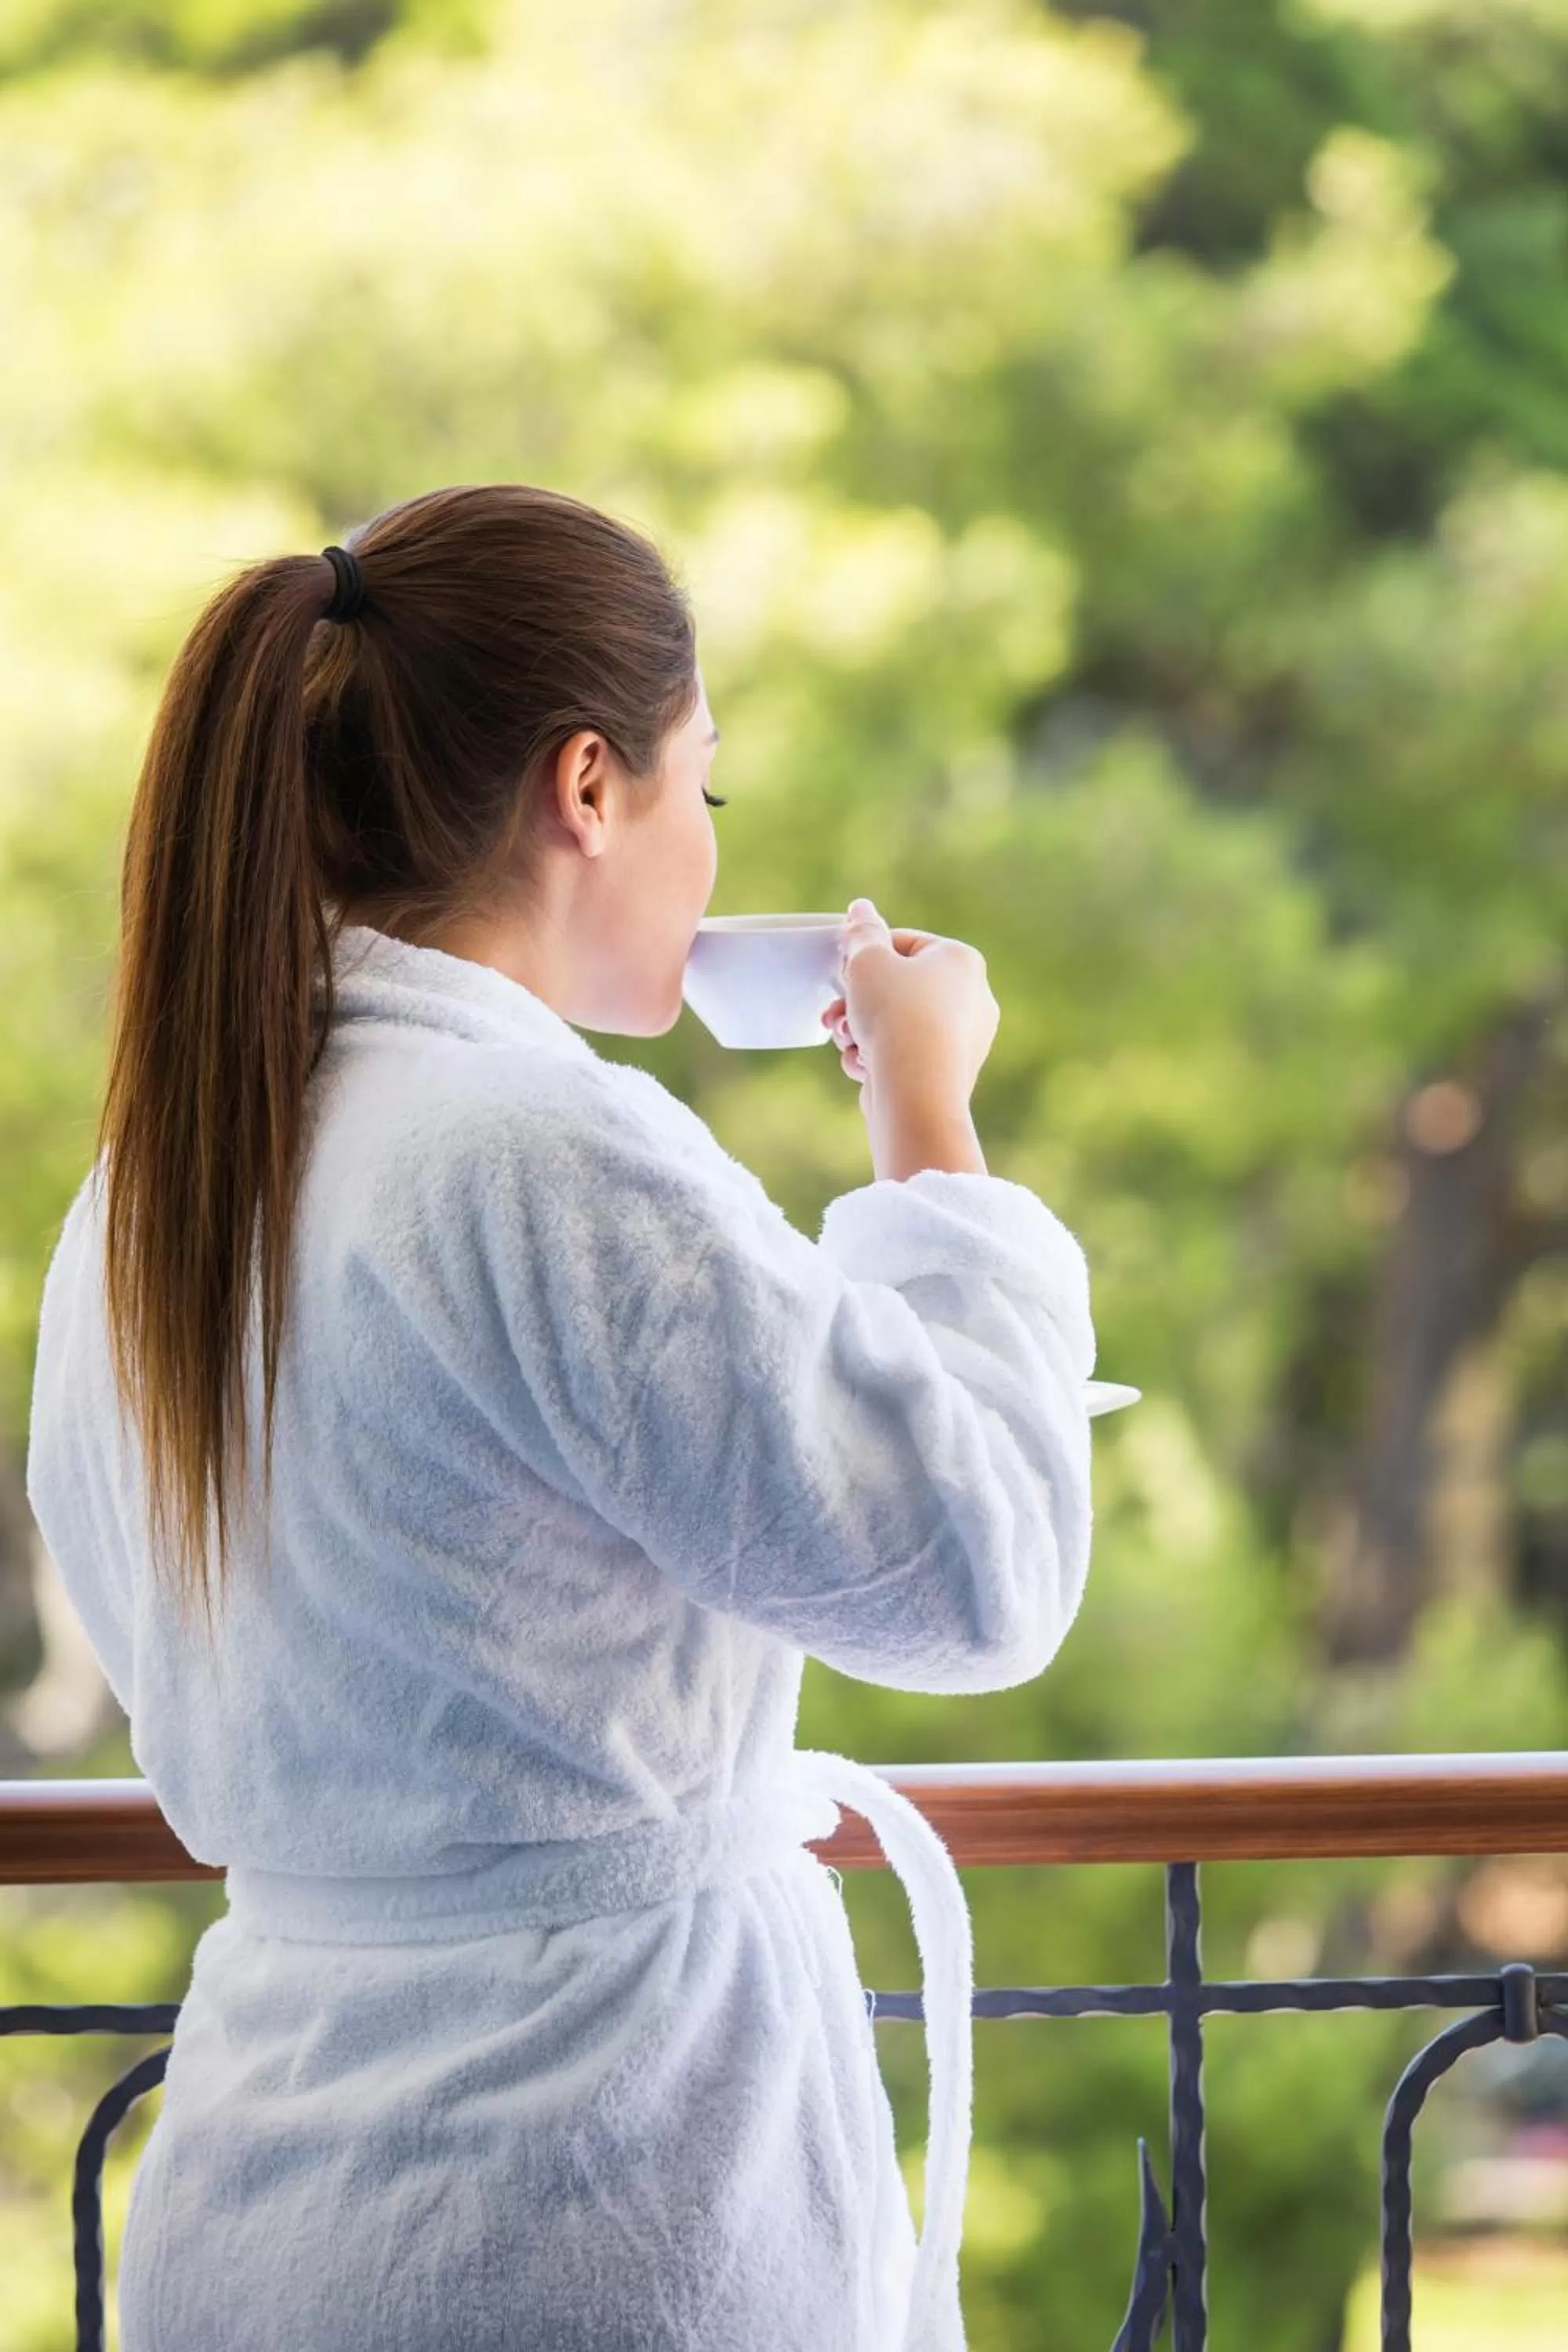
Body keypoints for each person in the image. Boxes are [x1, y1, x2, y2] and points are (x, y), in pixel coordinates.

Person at [24, 483, 1098, 2351]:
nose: (707, 844)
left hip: (265, 2181)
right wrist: (930, 1133)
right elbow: (972, 1575)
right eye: (707, 787)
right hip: (583, 2197)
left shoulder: (156, 1184)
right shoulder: (542, 1159)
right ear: (587, 787)